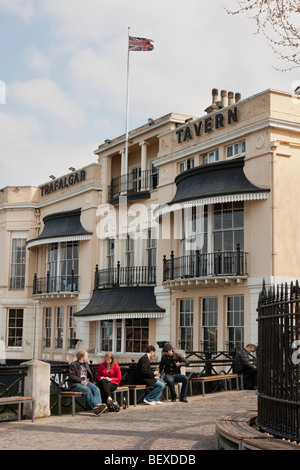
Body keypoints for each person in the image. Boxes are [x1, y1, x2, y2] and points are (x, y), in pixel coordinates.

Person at [69, 349, 107, 415]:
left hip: (86, 382)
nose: (88, 357)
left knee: (96, 389)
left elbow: (90, 374)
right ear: (81, 357)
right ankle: (96, 409)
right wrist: (81, 381)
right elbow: (72, 376)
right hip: (76, 384)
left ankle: (99, 407)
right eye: (86, 356)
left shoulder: (86, 364)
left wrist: (91, 381)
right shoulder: (73, 364)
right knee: (87, 390)